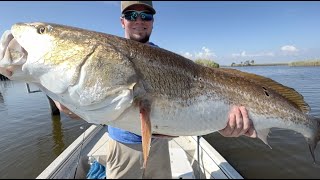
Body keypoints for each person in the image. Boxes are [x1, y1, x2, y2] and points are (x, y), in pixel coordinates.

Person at [0, 1, 257, 178]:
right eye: (132, 15)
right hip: (122, 147)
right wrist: (57, 96)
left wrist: (223, 124)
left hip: (158, 147)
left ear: (153, 22)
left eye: (146, 16)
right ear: (122, 21)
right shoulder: (109, 53)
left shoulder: (169, 59)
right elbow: (78, 110)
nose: (139, 21)